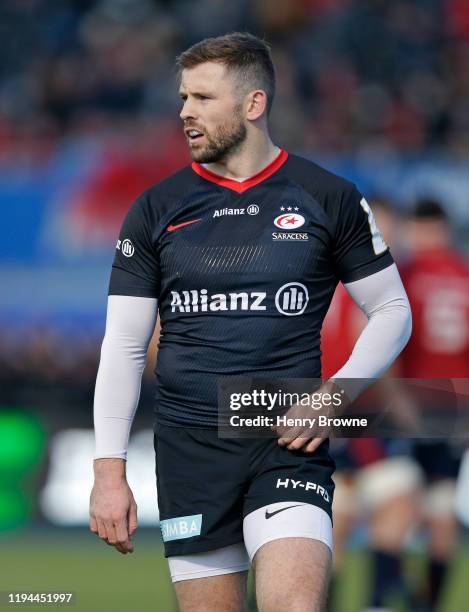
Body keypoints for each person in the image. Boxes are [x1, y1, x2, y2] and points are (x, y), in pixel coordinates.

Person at [89, 32, 412, 612]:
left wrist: (334, 395)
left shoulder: (327, 197)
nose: (186, 112)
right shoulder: (155, 208)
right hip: (190, 449)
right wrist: (108, 472)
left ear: (253, 104)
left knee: (294, 604)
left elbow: (392, 310)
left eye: (204, 98)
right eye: (184, 97)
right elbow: (124, 348)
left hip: (285, 442)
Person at [322, 199, 422, 611]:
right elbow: (378, 356)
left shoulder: (332, 275)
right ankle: (378, 603)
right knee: (393, 505)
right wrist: (404, 412)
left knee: (337, 522)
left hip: (329, 408)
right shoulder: (364, 279)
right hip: (348, 413)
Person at [399, 199, 469, 611]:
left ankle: (396, 590)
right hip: (457, 405)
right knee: (441, 506)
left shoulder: (407, 273)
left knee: (397, 501)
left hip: (412, 400)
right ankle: (431, 604)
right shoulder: (464, 273)